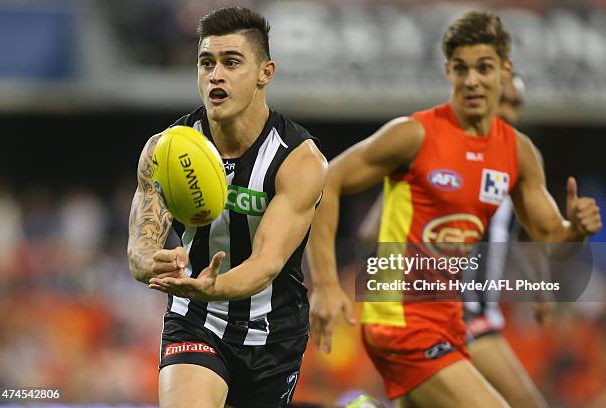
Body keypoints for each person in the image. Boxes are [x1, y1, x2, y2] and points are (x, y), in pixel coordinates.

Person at [307, 11, 601, 408]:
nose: (472, 80)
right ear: (448, 71)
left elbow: (551, 237)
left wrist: (577, 230)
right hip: (401, 322)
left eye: (484, 68)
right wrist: (326, 284)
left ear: (505, 69)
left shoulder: (518, 153)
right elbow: (326, 181)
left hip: (449, 324)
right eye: (461, 68)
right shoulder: (413, 135)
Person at [127, 7, 327, 408]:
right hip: (194, 320)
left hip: (273, 335)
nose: (215, 74)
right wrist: (155, 262)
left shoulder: (299, 161)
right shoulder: (165, 150)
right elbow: (139, 246)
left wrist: (213, 285)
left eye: (231, 62)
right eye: (206, 63)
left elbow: (266, 263)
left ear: (265, 73)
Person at [356, 72, 549, 408]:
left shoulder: (513, 161)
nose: (509, 112)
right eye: (503, 100)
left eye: (515, 104)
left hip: (469, 312)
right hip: (457, 312)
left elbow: (518, 233)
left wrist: (540, 282)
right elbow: (372, 230)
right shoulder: (443, 156)